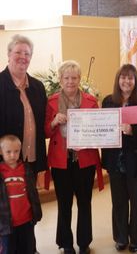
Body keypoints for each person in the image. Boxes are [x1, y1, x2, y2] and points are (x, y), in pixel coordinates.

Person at [45, 60, 103, 254]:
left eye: (74, 77)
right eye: (66, 77)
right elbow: (45, 130)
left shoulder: (90, 100)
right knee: (64, 203)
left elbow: (99, 128)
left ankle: (84, 242)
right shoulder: (52, 101)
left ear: (80, 79)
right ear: (60, 79)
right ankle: (66, 243)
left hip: (84, 159)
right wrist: (53, 122)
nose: (70, 81)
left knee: (85, 202)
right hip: (61, 161)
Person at [0, 34, 47, 254]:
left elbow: (41, 125)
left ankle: (30, 248)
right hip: (6, 162)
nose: (22, 57)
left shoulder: (37, 87)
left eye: (27, 53)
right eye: (18, 52)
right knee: (7, 210)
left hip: (31, 159)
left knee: (28, 206)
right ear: (8, 54)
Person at [101, 64, 137, 252]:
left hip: (136, 159)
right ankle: (121, 237)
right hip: (115, 160)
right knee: (119, 202)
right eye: (123, 77)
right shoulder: (108, 101)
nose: (126, 81)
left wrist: (133, 130)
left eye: (130, 78)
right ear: (117, 80)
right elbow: (102, 129)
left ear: (135, 81)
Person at [0, 135, 42, 254]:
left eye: (16, 151)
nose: (13, 155)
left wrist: (36, 213)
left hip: (26, 221)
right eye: (8, 152)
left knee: (27, 249)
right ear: (1, 152)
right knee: (9, 250)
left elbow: (33, 193)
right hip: (7, 225)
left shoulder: (26, 169)